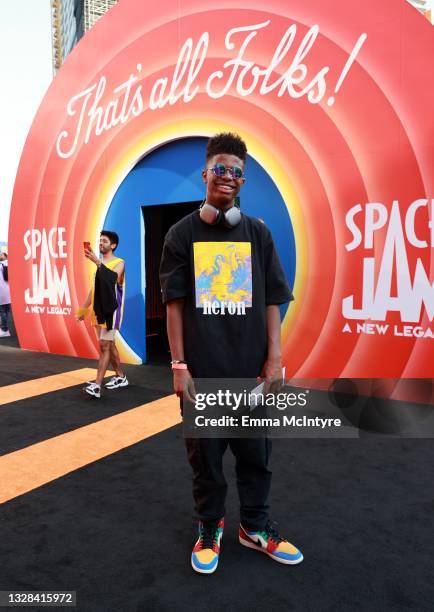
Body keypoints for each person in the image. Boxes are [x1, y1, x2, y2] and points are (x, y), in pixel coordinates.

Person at [159, 133, 303, 574]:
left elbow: (272, 300)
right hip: (203, 376)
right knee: (206, 461)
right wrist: (179, 364)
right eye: (221, 168)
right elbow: (175, 303)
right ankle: (210, 527)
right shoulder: (181, 234)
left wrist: (275, 358)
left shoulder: (258, 233)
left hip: (251, 376)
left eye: (237, 172)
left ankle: (254, 528)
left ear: (244, 181)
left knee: (256, 456)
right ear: (205, 174)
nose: (228, 177)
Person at [77, 231, 128, 398]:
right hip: (98, 310)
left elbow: (112, 278)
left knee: (104, 346)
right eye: (99, 240)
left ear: (112, 245)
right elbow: (94, 289)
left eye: (104, 241)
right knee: (109, 344)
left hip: (111, 311)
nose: (100, 243)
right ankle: (121, 377)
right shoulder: (99, 265)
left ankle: (97, 385)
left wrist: (97, 262)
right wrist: (83, 310)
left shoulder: (119, 263)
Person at [0, 250, 11, 338]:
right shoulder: (9, 263)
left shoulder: (1, 265)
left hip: (2, 292)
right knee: (6, 311)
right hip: (8, 292)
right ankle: (5, 329)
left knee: (2, 311)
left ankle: (4, 329)